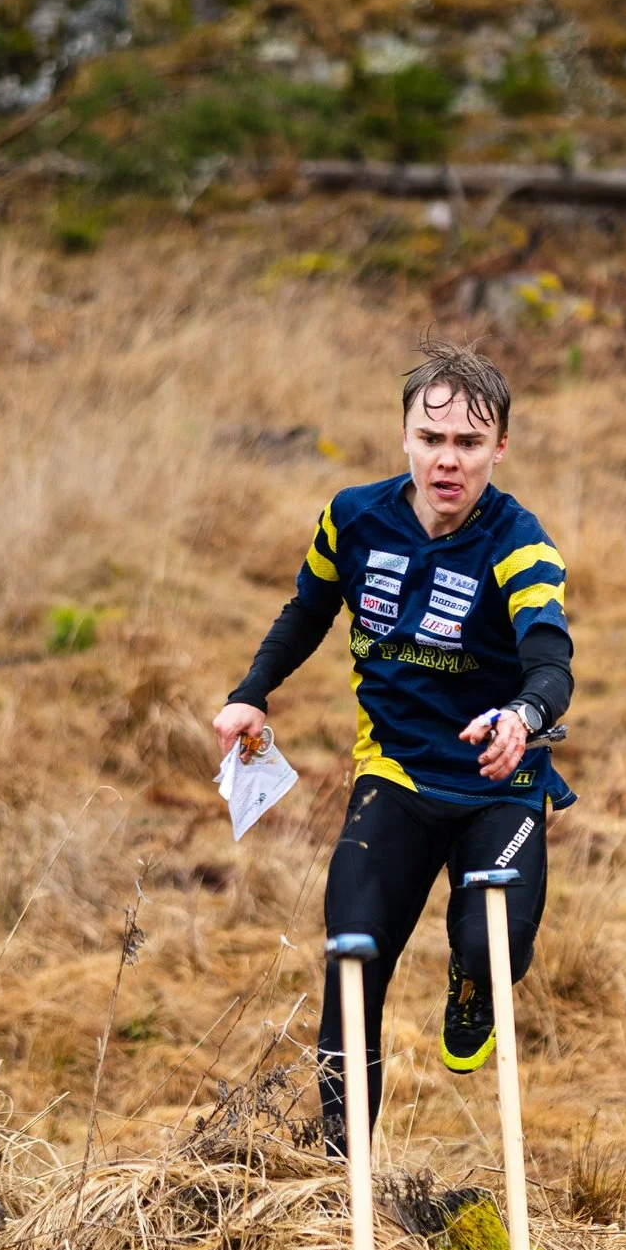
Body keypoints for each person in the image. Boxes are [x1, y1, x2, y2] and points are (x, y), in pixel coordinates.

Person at [213, 343, 575, 1153]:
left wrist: (522, 716)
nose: (448, 460)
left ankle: (473, 984)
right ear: (405, 436)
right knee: (352, 959)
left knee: (491, 945)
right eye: (431, 438)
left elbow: (552, 659)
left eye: (469, 443)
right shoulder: (352, 518)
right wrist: (251, 691)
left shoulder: (520, 543)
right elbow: (307, 610)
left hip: (499, 783)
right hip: (396, 776)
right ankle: (341, 1170)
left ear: (499, 448)